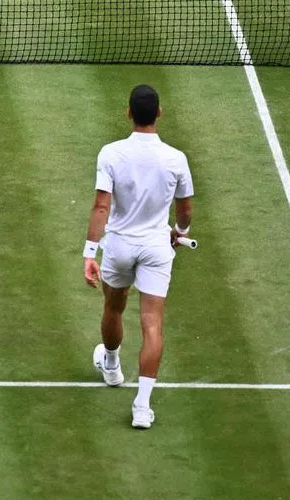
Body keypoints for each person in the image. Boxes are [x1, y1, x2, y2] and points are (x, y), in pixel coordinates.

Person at [82, 84, 194, 429]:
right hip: (157, 248)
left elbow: (102, 205)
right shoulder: (176, 159)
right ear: (159, 114)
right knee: (152, 324)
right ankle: (142, 407)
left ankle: (112, 367)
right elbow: (185, 209)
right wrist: (181, 232)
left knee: (114, 307)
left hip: (118, 247)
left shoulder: (111, 153)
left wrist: (90, 252)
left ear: (129, 113)